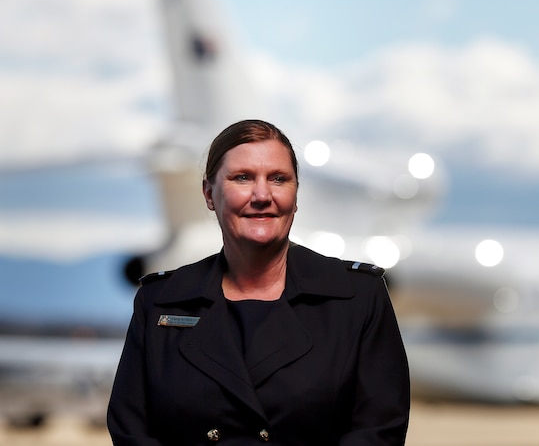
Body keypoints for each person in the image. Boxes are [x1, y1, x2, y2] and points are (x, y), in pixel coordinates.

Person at [107, 119, 410, 445]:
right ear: (209, 194)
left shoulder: (358, 299)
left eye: (278, 179)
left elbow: (379, 432)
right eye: (243, 178)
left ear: (295, 196)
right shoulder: (161, 301)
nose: (262, 195)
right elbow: (132, 431)